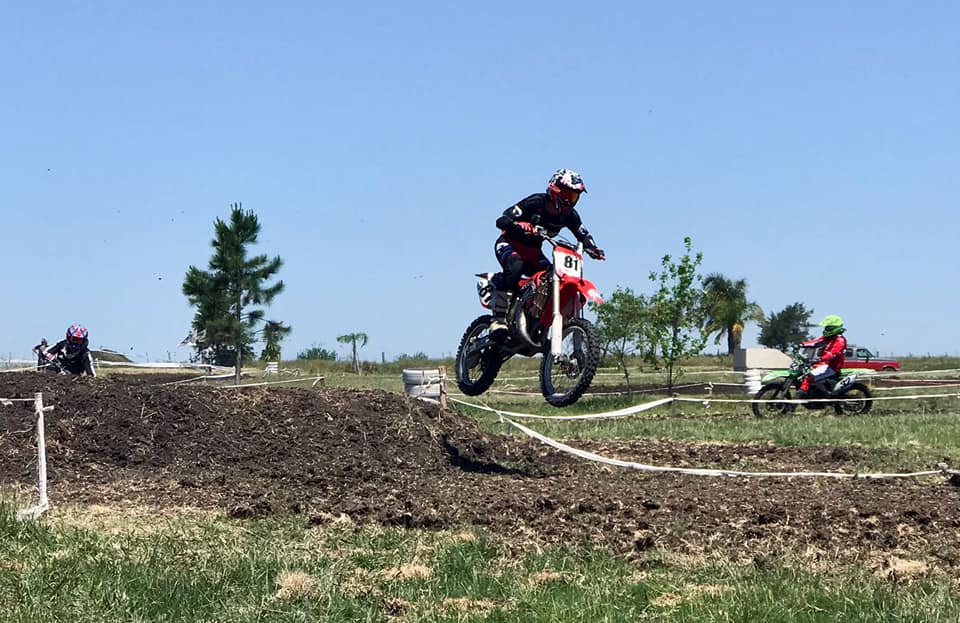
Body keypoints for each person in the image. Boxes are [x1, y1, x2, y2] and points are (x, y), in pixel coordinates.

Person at [489, 168, 605, 338]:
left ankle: (534, 315)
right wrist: (518, 226)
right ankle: (498, 319)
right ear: (555, 191)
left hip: (533, 253)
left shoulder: (569, 216)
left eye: (574, 196)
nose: (570, 201)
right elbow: (502, 219)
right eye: (568, 195)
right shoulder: (536, 202)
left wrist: (593, 249)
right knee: (516, 265)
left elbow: (583, 234)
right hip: (510, 244)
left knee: (553, 276)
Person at [798, 315, 847, 397]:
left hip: (833, 367)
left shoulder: (840, 340)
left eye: (828, 328)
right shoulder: (828, 338)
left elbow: (832, 353)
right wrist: (803, 344)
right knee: (806, 373)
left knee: (810, 376)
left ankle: (827, 395)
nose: (826, 330)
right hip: (825, 364)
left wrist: (820, 359)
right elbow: (816, 342)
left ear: (835, 328)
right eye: (826, 328)